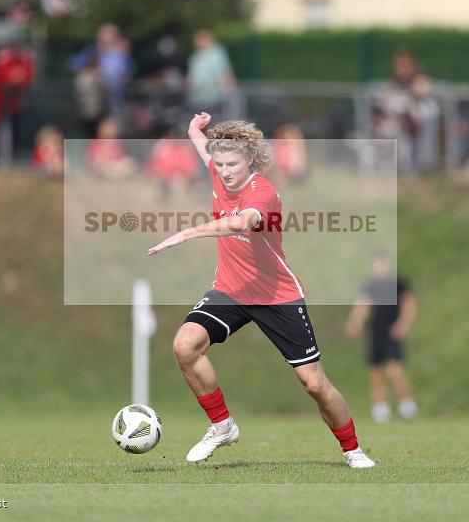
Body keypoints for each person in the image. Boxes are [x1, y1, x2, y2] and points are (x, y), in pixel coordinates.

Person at [146, 112, 375, 469]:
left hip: (276, 294)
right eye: (219, 163)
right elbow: (204, 148)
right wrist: (195, 126)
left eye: (232, 164)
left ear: (249, 160)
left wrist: (188, 233)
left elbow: (241, 222)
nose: (223, 170)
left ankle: (352, 449)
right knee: (185, 345)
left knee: (314, 384)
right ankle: (222, 426)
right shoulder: (219, 168)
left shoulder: (262, 191)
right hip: (230, 290)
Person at [345, 251, 418, 423]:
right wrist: (355, 322)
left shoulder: (398, 283)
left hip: (391, 332)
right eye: (378, 264)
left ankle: (407, 404)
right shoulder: (371, 285)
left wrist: (403, 323)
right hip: (375, 332)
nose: (381, 267)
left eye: (383, 264)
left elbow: (410, 303)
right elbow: (362, 304)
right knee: (375, 372)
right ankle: (381, 409)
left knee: (395, 370)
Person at [187, 29, 235, 118]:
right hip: (198, 98)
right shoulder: (195, 56)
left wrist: (227, 91)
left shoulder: (216, 54)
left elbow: (225, 73)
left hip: (214, 98)